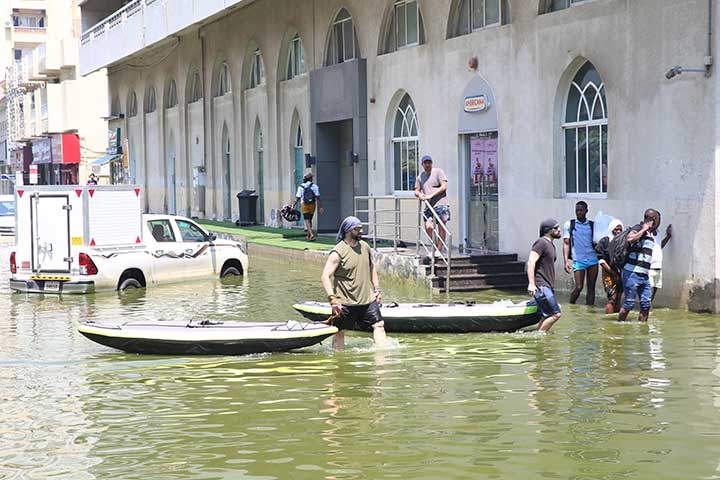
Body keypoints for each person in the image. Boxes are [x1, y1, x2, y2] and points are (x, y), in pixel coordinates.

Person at [320, 216, 387, 350]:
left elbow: (372, 268)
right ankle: (338, 361)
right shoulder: (338, 252)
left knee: (379, 325)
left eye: (361, 228)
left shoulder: (365, 247)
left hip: (367, 299)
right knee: (339, 331)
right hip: (345, 301)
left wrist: (377, 289)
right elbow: (325, 276)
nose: (361, 231)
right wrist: (332, 299)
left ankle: (382, 357)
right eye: (357, 229)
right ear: (348, 230)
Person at [618, 209, 659, 322]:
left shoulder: (651, 234)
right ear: (653, 219)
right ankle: (619, 329)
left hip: (644, 276)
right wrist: (644, 229)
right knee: (629, 304)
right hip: (632, 273)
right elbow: (630, 238)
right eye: (657, 219)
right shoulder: (638, 227)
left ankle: (643, 333)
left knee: (646, 305)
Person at [527, 218, 563, 332]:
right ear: (548, 230)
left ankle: (539, 337)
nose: (559, 230)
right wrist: (532, 284)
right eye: (556, 228)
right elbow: (531, 261)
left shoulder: (550, 245)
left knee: (547, 315)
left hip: (547, 286)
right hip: (541, 285)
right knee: (556, 314)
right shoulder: (541, 243)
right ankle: (538, 337)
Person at [562, 201, 598, 305]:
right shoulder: (570, 224)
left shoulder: (592, 225)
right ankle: (571, 304)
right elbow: (566, 243)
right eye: (577, 210)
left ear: (586, 211)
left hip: (593, 259)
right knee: (579, 287)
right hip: (578, 260)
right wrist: (566, 261)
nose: (579, 212)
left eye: (581, 210)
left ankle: (590, 310)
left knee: (591, 288)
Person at [414, 155, 449, 254]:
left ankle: (439, 249)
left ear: (432, 163)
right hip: (429, 206)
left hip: (441, 204)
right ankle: (435, 246)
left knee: (441, 226)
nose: (428, 165)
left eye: (429, 162)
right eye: (426, 163)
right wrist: (420, 195)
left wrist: (431, 195)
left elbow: (444, 186)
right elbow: (416, 190)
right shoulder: (420, 177)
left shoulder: (438, 172)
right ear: (422, 164)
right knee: (429, 227)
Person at [595, 219, 624, 314]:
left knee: (619, 297)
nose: (618, 231)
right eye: (616, 229)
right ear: (611, 229)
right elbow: (601, 260)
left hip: (620, 273)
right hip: (608, 272)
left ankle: (616, 321)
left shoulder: (623, 242)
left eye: (620, 229)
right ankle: (608, 321)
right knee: (612, 298)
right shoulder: (605, 241)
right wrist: (613, 273)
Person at [292, 170, 323, 241]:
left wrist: (293, 205)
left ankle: (311, 234)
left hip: (304, 204)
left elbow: (297, 198)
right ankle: (308, 236)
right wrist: (320, 207)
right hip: (312, 204)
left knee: (306, 219)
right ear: (311, 178)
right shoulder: (315, 186)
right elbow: (318, 197)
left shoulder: (301, 187)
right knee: (310, 219)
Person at [650, 212, 672, 305]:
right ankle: (646, 316)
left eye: (658, 219)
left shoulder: (657, 233)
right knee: (648, 296)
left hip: (658, 268)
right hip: (649, 269)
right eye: (654, 219)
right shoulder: (647, 233)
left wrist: (668, 236)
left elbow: (659, 246)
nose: (656, 221)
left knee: (652, 297)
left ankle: (648, 315)